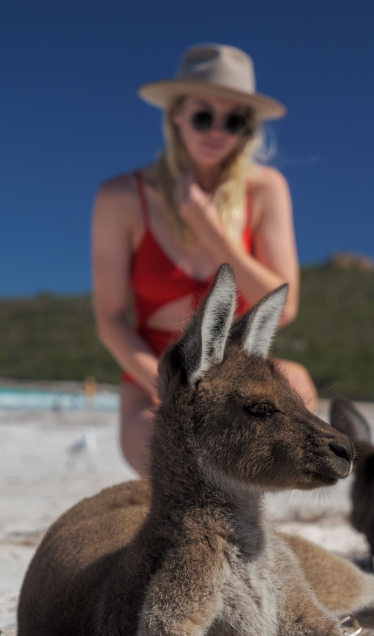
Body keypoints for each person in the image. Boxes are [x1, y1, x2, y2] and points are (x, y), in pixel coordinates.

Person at [91, 44, 316, 476]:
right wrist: (171, 383)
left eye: (233, 120)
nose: (217, 130)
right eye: (202, 116)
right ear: (176, 114)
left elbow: (284, 307)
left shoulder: (265, 189)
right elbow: (110, 320)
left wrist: (212, 230)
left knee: (299, 388)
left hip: (238, 371)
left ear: (247, 128)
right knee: (176, 456)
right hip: (153, 373)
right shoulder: (122, 197)